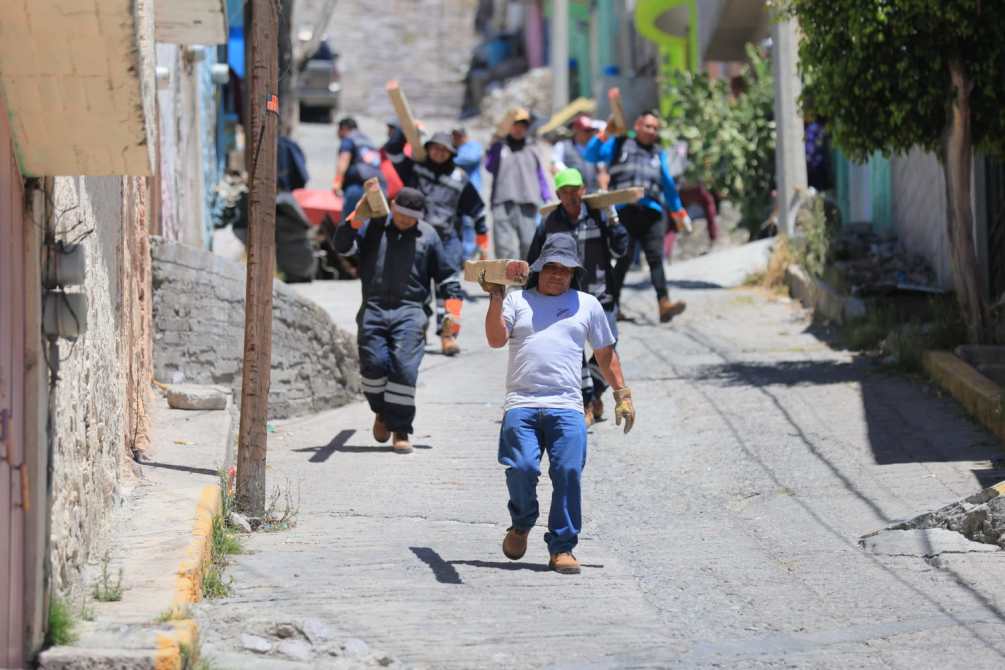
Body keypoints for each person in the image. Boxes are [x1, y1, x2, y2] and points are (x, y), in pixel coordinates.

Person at [482, 233, 636, 575]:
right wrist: (496, 297)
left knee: (568, 473)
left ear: (574, 273)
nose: (556, 274)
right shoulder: (518, 300)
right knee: (521, 467)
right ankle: (521, 523)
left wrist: (621, 394)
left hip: (567, 406)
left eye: (565, 269)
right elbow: (495, 339)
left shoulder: (587, 304)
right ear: (538, 269)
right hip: (521, 404)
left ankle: (563, 547)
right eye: (550, 267)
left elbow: (604, 354)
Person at [332, 186, 461, 453]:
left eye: (410, 217)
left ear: (419, 216)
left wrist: (451, 317)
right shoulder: (374, 227)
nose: (404, 221)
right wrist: (356, 218)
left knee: (404, 368)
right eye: (401, 214)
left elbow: (446, 277)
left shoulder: (428, 236)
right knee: (373, 366)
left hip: (411, 310)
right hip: (374, 308)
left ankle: (400, 429)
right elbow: (342, 247)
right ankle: (381, 412)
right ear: (392, 205)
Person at [526, 168, 628, 425]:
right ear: (558, 194)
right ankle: (585, 405)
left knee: (608, 347)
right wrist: (527, 295)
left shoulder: (598, 216)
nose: (571, 197)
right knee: (574, 353)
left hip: (600, 295)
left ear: (584, 190)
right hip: (565, 297)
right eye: (565, 192)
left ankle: (594, 393)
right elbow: (534, 260)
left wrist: (613, 217)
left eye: (575, 191)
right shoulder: (549, 223)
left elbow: (621, 248)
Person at [384, 128, 488, 356]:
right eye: (435, 148)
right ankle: (416, 332)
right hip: (417, 239)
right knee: (415, 290)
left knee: (450, 290)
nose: (439, 153)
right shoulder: (415, 169)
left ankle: (448, 335)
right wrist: (408, 129)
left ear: (451, 153)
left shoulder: (460, 177)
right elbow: (392, 150)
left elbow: (478, 211)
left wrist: (483, 243)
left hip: (447, 240)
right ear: (428, 148)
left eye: (444, 149)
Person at [585, 110, 691, 323]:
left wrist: (679, 211)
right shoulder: (619, 145)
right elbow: (590, 154)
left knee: (655, 258)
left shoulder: (658, 153)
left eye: (655, 128)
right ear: (637, 126)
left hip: (652, 213)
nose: (652, 131)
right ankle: (611, 307)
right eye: (648, 126)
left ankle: (664, 304)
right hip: (625, 212)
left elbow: (668, 184)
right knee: (622, 260)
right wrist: (606, 133)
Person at [484, 107, 551, 260]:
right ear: (509, 126)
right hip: (502, 201)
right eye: (516, 125)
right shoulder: (500, 147)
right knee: (504, 245)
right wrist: (494, 145)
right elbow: (489, 167)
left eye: (523, 126)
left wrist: (546, 197)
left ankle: (526, 280)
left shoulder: (533, 148)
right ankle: (509, 282)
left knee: (529, 242)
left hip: (528, 202)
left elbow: (540, 175)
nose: (519, 129)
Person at [334, 117, 386, 222]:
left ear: (343, 129)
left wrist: (337, 181)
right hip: (377, 189)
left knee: (349, 225)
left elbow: (344, 158)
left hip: (356, 187)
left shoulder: (349, 139)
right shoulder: (368, 142)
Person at [451, 126, 487, 260]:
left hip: (472, 193)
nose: (457, 138)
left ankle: (469, 255)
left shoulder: (473, 146)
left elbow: (471, 158)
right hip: (455, 194)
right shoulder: (454, 149)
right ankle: (461, 254)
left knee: (470, 222)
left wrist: (450, 157)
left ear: (465, 136)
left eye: (459, 135)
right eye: (454, 136)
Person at [550, 115, 608, 192]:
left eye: (591, 130)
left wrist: (604, 189)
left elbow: (602, 171)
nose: (590, 134)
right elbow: (555, 168)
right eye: (586, 130)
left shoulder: (595, 147)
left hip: (595, 192)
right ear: (576, 131)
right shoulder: (562, 146)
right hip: (573, 194)